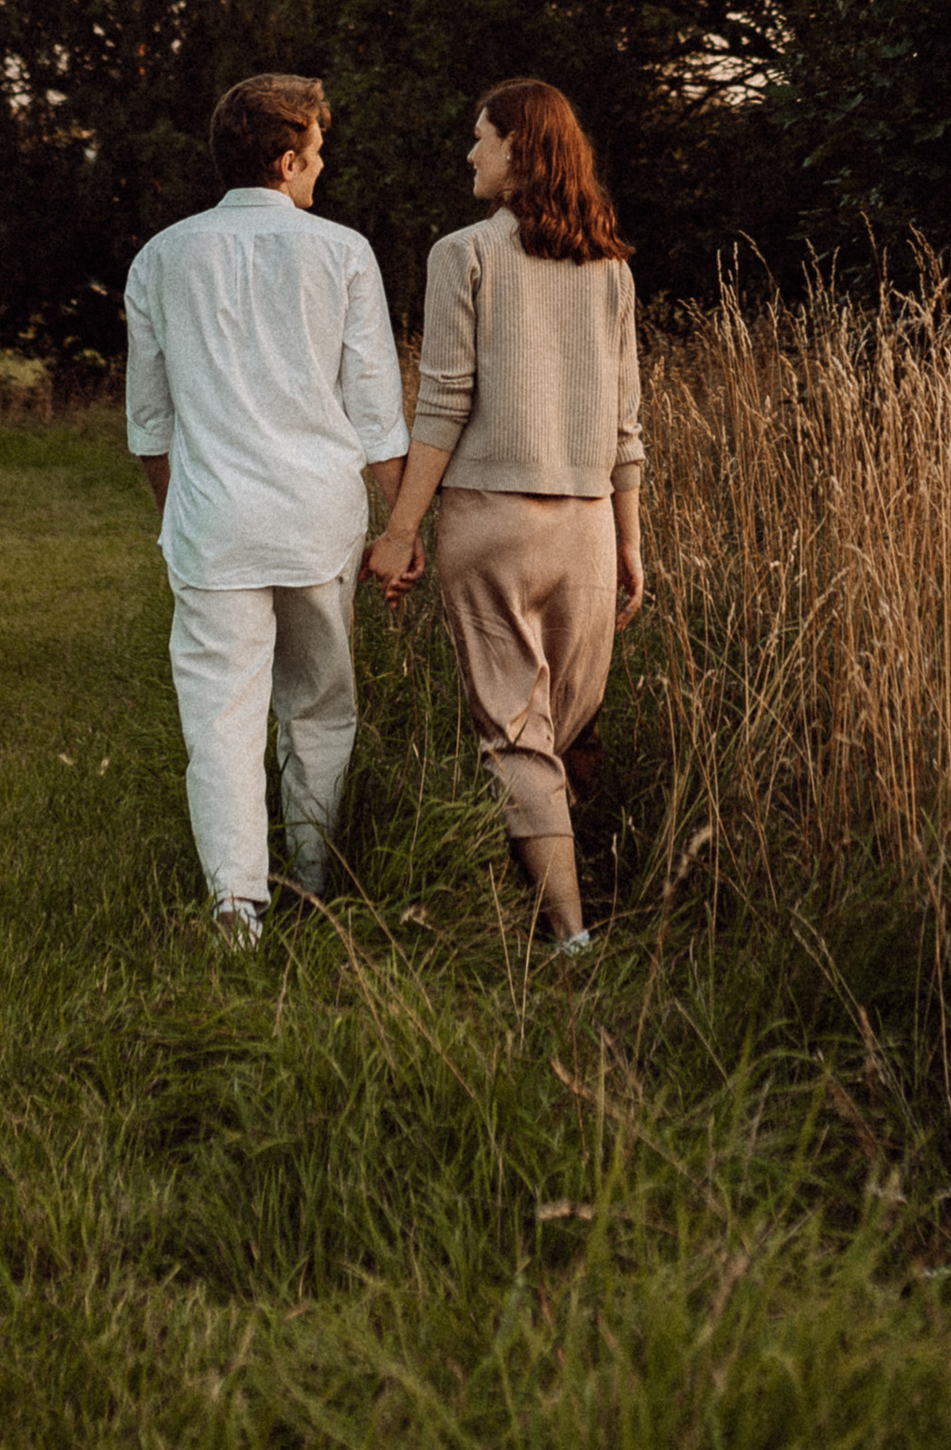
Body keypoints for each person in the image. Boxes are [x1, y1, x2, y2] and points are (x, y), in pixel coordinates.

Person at [124, 73, 408, 950]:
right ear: (287, 162)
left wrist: (179, 521)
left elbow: (149, 425)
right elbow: (376, 411)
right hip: (319, 519)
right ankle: (312, 879)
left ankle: (238, 908)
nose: (321, 171)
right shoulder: (342, 253)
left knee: (221, 718)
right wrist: (402, 530)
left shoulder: (162, 257)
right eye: (317, 155)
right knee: (320, 705)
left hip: (214, 525)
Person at [364, 77, 644, 952]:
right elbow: (628, 422)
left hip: (491, 521)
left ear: (520, 151)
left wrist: (401, 529)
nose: (471, 153)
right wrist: (633, 540)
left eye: (482, 138)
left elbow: (444, 403)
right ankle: (563, 898)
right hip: (590, 526)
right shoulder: (611, 267)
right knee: (560, 723)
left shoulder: (463, 254)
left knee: (519, 734)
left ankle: (566, 935)